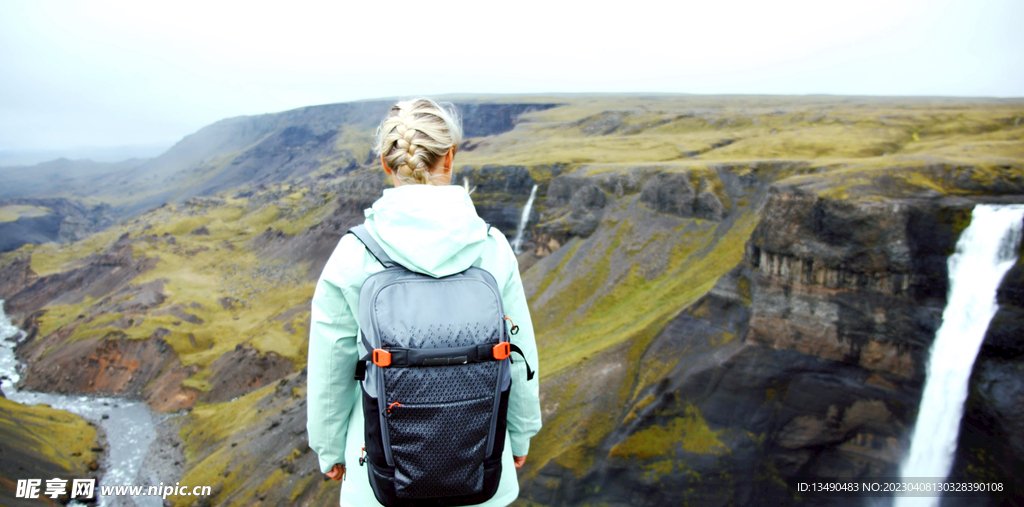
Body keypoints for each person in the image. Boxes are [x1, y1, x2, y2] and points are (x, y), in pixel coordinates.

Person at [306, 98, 542, 507]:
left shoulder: (353, 254)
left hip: (378, 479)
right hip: (484, 471)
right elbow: (518, 355)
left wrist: (330, 449)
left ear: (386, 163)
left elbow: (331, 366)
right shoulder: (491, 247)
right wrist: (520, 434)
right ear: (450, 157)